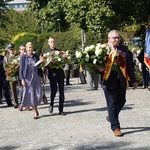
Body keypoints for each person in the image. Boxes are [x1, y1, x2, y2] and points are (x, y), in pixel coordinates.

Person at [98, 30, 138, 137]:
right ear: (109, 39)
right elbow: (96, 66)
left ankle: (111, 117)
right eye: (114, 38)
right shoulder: (102, 49)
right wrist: (99, 69)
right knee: (112, 103)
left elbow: (129, 66)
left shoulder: (124, 49)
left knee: (122, 101)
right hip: (108, 81)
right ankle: (116, 127)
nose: (117, 40)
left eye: (118, 38)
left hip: (121, 80)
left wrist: (133, 80)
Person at [19, 42, 44, 119]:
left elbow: (39, 67)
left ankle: (35, 108)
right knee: (32, 95)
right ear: (26, 48)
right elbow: (21, 69)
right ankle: (35, 111)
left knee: (38, 94)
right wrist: (22, 79)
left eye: (31, 47)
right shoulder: (23, 57)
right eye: (29, 47)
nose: (30, 49)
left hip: (36, 77)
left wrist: (42, 77)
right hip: (28, 79)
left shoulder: (35, 56)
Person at [44, 37, 66, 115]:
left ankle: (61, 109)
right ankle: (52, 104)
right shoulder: (46, 52)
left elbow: (63, 63)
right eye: (51, 42)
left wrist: (62, 63)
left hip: (60, 73)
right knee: (54, 90)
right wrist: (50, 64)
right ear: (48, 43)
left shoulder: (60, 51)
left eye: (54, 41)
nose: (53, 43)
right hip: (52, 74)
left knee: (62, 92)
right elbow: (45, 65)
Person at [3, 43, 19, 108]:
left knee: (21, 88)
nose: (11, 50)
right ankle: (15, 102)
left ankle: (22, 100)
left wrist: (16, 68)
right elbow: (4, 66)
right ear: (8, 50)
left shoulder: (17, 56)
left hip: (17, 74)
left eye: (12, 49)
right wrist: (10, 70)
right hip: (10, 75)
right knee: (13, 90)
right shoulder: (6, 57)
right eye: (10, 49)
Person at [18, 45, 32, 111]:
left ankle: (27, 105)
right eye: (22, 49)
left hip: (28, 76)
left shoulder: (28, 56)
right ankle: (21, 104)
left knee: (27, 91)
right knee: (22, 91)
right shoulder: (21, 57)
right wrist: (22, 78)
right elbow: (21, 69)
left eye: (24, 49)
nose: (23, 50)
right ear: (19, 50)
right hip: (22, 76)